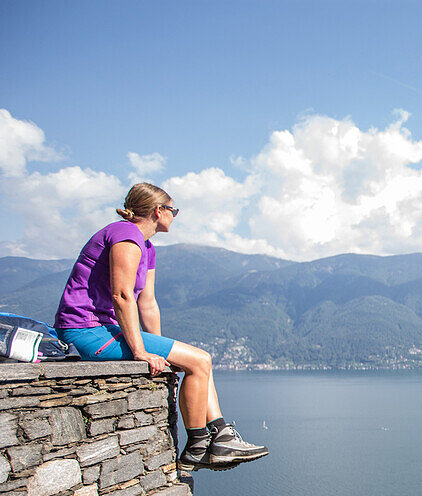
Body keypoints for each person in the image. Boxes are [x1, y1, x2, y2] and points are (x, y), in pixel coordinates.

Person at [54, 182, 267, 472]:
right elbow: (123, 294)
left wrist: (163, 349)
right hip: (86, 330)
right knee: (200, 360)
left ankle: (221, 435)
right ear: (158, 210)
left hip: (105, 328)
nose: (174, 216)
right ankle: (198, 445)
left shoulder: (147, 247)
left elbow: (148, 303)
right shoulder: (125, 234)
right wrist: (141, 351)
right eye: (173, 210)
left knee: (196, 359)